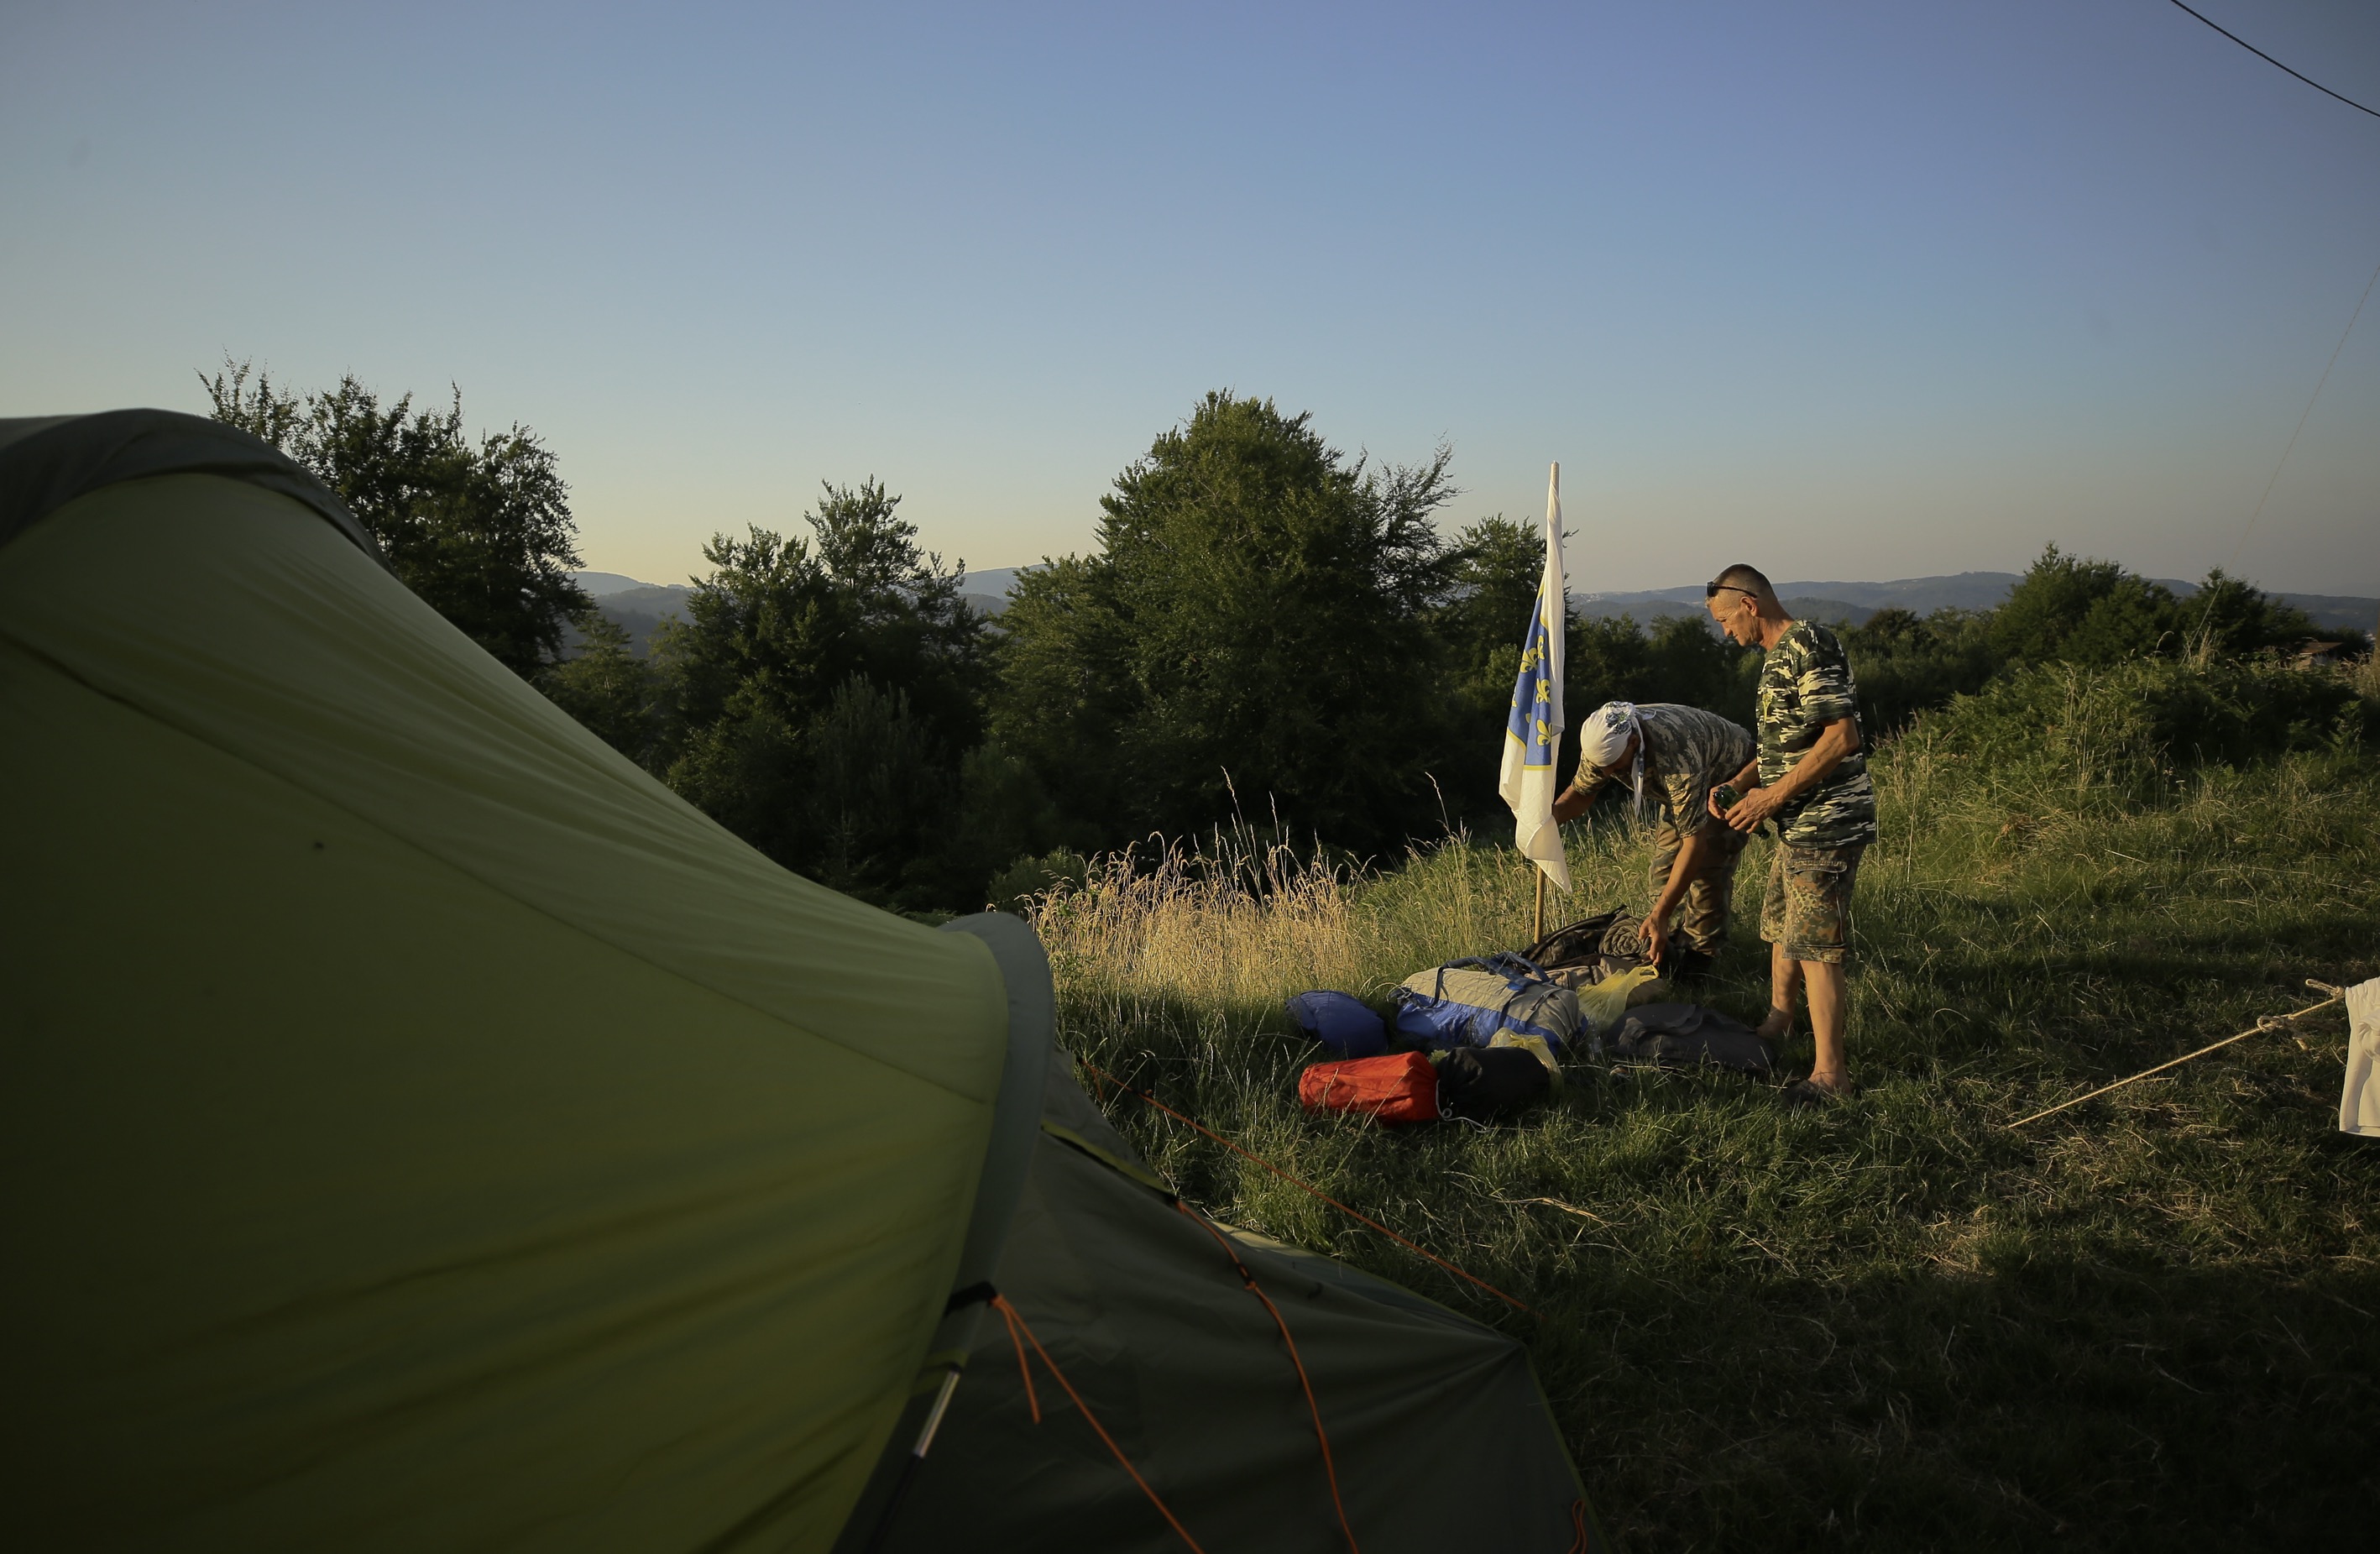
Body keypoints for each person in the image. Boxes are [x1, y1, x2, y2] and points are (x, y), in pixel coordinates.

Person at [1705, 563, 1876, 1105]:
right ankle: (1778, 1024)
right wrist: (1739, 783)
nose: (1726, 633)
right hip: (1796, 825)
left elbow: (1841, 737)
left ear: (1749, 605)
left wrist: (1770, 798)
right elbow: (1786, 745)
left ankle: (1831, 1076)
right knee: (1783, 925)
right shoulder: (1776, 660)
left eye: (1726, 621)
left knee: (1817, 946)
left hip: (1825, 821)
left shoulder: (1810, 645)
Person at [1550, 699, 1755, 978]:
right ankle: (1669, 948)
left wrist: (1660, 914)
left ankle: (1699, 965)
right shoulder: (1603, 742)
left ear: (1634, 742)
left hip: (1729, 776)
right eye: (1602, 767)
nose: (1608, 773)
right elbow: (1582, 793)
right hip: (1682, 789)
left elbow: (1695, 845)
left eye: (1613, 765)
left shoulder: (1677, 757)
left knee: (1707, 871)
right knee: (1663, 872)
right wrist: (1548, 820)